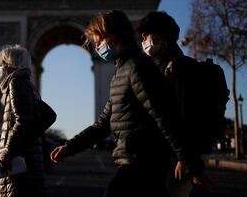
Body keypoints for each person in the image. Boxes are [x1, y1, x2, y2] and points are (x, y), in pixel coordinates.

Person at [50, 10, 211, 197]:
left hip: (143, 161)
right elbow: (103, 124)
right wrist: (69, 147)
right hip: (135, 161)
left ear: (111, 34)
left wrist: (190, 163)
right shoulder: (121, 72)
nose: (97, 46)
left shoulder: (137, 67)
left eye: (99, 40)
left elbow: (164, 115)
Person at [135, 11, 210, 197]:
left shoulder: (180, 67)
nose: (143, 41)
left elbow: (189, 115)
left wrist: (185, 159)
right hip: (158, 155)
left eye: (146, 35)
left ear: (162, 36)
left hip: (174, 158)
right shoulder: (158, 67)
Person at [0, 44, 47, 197]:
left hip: (18, 161)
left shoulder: (16, 83)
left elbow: (22, 121)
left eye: (1, 65)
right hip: (29, 160)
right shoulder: (30, 86)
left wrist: (6, 153)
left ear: (10, 64)